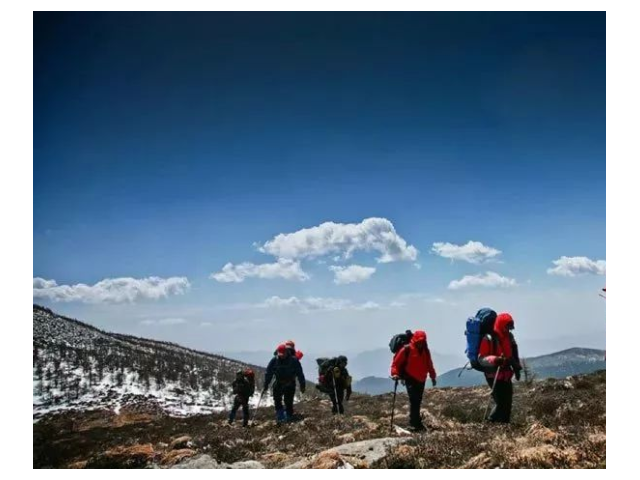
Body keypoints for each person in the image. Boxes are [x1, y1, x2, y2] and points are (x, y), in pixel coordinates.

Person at [478, 313, 522, 423]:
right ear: (501, 325)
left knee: (508, 402)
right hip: (493, 375)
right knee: (501, 403)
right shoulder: (488, 338)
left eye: (510, 328)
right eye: (507, 327)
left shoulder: (509, 337)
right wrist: (496, 360)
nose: (509, 330)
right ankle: (489, 423)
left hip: (506, 375)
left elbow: (511, 355)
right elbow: (481, 358)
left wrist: (516, 368)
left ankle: (505, 426)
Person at [391, 330, 437, 432]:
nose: (421, 343)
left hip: (422, 378)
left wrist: (433, 376)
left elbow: (429, 364)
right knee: (414, 400)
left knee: (418, 400)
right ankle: (414, 424)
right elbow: (396, 363)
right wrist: (394, 373)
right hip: (410, 377)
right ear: (415, 340)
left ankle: (416, 423)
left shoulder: (425, 350)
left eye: (422, 341)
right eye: (419, 341)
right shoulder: (406, 349)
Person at [264, 344, 306, 423]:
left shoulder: (294, 360)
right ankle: (280, 416)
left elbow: (300, 373)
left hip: (290, 383)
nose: (281, 356)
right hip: (279, 382)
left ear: (287, 352)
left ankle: (288, 417)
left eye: (283, 354)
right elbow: (268, 373)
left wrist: (302, 384)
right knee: (277, 399)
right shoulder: (274, 360)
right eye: (280, 354)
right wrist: (266, 384)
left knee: (288, 401)